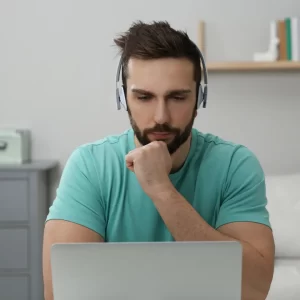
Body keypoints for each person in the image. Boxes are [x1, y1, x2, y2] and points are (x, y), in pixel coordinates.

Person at [43, 20, 275, 300]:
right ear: (123, 98)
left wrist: (161, 189)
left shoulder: (235, 165)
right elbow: (61, 293)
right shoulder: (90, 165)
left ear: (200, 99)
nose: (161, 117)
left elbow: (254, 290)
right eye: (144, 97)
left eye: (177, 97)